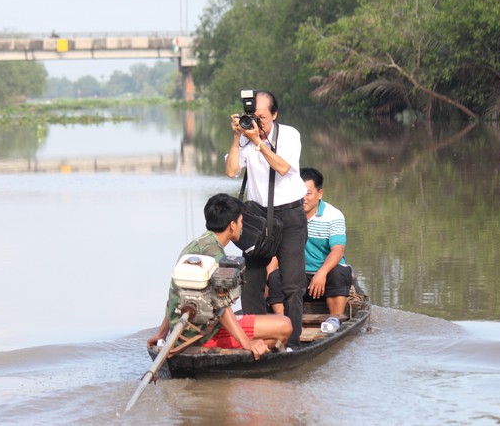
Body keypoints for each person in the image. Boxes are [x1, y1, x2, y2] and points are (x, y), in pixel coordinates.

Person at [147, 193, 292, 359]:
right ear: (232, 225)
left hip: (182, 332)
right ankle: (239, 355)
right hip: (205, 334)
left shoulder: (193, 246)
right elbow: (222, 307)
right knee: (285, 326)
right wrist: (246, 342)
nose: (242, 227)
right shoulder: (214, 256)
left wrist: (162, 333)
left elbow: (175, 296)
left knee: (270, 334)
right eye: (241, 222)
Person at [225, 91, 308, 348]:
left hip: (291, 215)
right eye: (253, 117)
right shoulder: (246, 138)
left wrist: (258, 142)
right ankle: (256, 337)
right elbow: (231, 171)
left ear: (274, 114)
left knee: (292, 284)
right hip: (259, 219)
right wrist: (239, 136)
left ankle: (291, 342)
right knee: (251, 282)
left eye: (262, 117)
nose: (258, 123)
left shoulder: (289, 135)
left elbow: (283, 167)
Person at [266, 167, 353, 317]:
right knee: (275, 278)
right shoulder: (284, 216)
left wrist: (321, 273)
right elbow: (275, 253)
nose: (303, 198)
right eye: (299, 193)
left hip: (325, 277)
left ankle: (335, 320)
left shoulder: (333, 215)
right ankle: (282, 323)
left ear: (320, 193)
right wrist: (268, 281)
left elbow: (338, 250)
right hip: (297, 276)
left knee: (340, 273)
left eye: (308, 193)